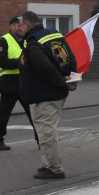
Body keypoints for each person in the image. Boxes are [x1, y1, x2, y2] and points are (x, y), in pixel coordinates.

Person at [18, 10, 76, 179]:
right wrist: (71, 78)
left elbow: (44, 68)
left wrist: (61, 81)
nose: (19, 28)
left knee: (46, 132)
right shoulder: (54, 34)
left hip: (44, 94)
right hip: (56, 92)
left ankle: (55, 168)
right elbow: (71, 57)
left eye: (20, 25)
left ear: (27, 25)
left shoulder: (33, 42)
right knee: (47, 131)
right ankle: (48, 164)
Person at [0, 16, 37, 151]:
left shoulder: (27, 40)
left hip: (24, 82)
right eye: (18, 25)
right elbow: (2, 62)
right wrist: (22, 61)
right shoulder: (3, 40)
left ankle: (42, 139)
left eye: (22, 25)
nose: (20, 28)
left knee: (33, 113)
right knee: (3, 114)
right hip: (9, 83)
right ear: (11, 26)